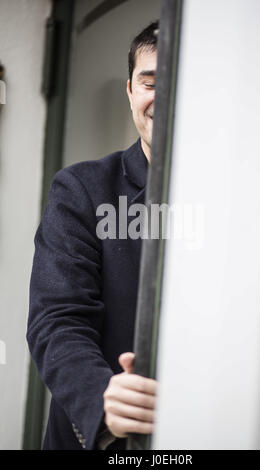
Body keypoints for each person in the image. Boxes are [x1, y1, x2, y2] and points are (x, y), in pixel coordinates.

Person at [27, 20, 159, 450]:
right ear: (130, 92)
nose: (163, 97)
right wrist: (104, 399)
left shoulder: (250, 199)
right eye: (150, 82)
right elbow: (57, 320)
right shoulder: (82, 189)